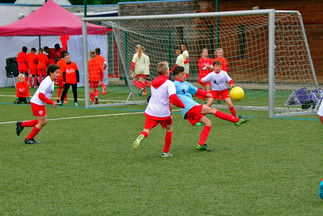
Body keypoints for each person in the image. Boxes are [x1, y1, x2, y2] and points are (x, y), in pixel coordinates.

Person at [173, 66, 250, 151]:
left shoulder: (186, 84)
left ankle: (201, 144)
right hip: (189, 107)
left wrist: (206, 94)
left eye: (185, 73)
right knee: (212, 110)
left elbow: (197, 91)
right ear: (176, 76)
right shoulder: (174, 85)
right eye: (182, 74)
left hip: (189, 109)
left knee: (208, 123)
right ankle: (236, 120)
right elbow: (169, 96)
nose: (185, 75)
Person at [132, 61, 185, 157]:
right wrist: (182, 105)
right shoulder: (169, 83)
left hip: (151, 110)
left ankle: (141, 136)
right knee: (169, 128)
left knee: (147, 129)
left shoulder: (153, 82)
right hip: (163, 112)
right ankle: (165, 152)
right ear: (167, 72)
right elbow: (172, 98)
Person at [16, 64, 60, 144]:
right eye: (57, 72)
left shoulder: (50, 80)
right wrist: (51, 102)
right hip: (37, 103)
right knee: (42, 122)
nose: (58, 74)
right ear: (51, 73)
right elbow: (40, 95)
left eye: (59, 72)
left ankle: (21, 124)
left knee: (43, 121)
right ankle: (28, 139)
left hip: (39, 103)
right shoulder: (47, 82)